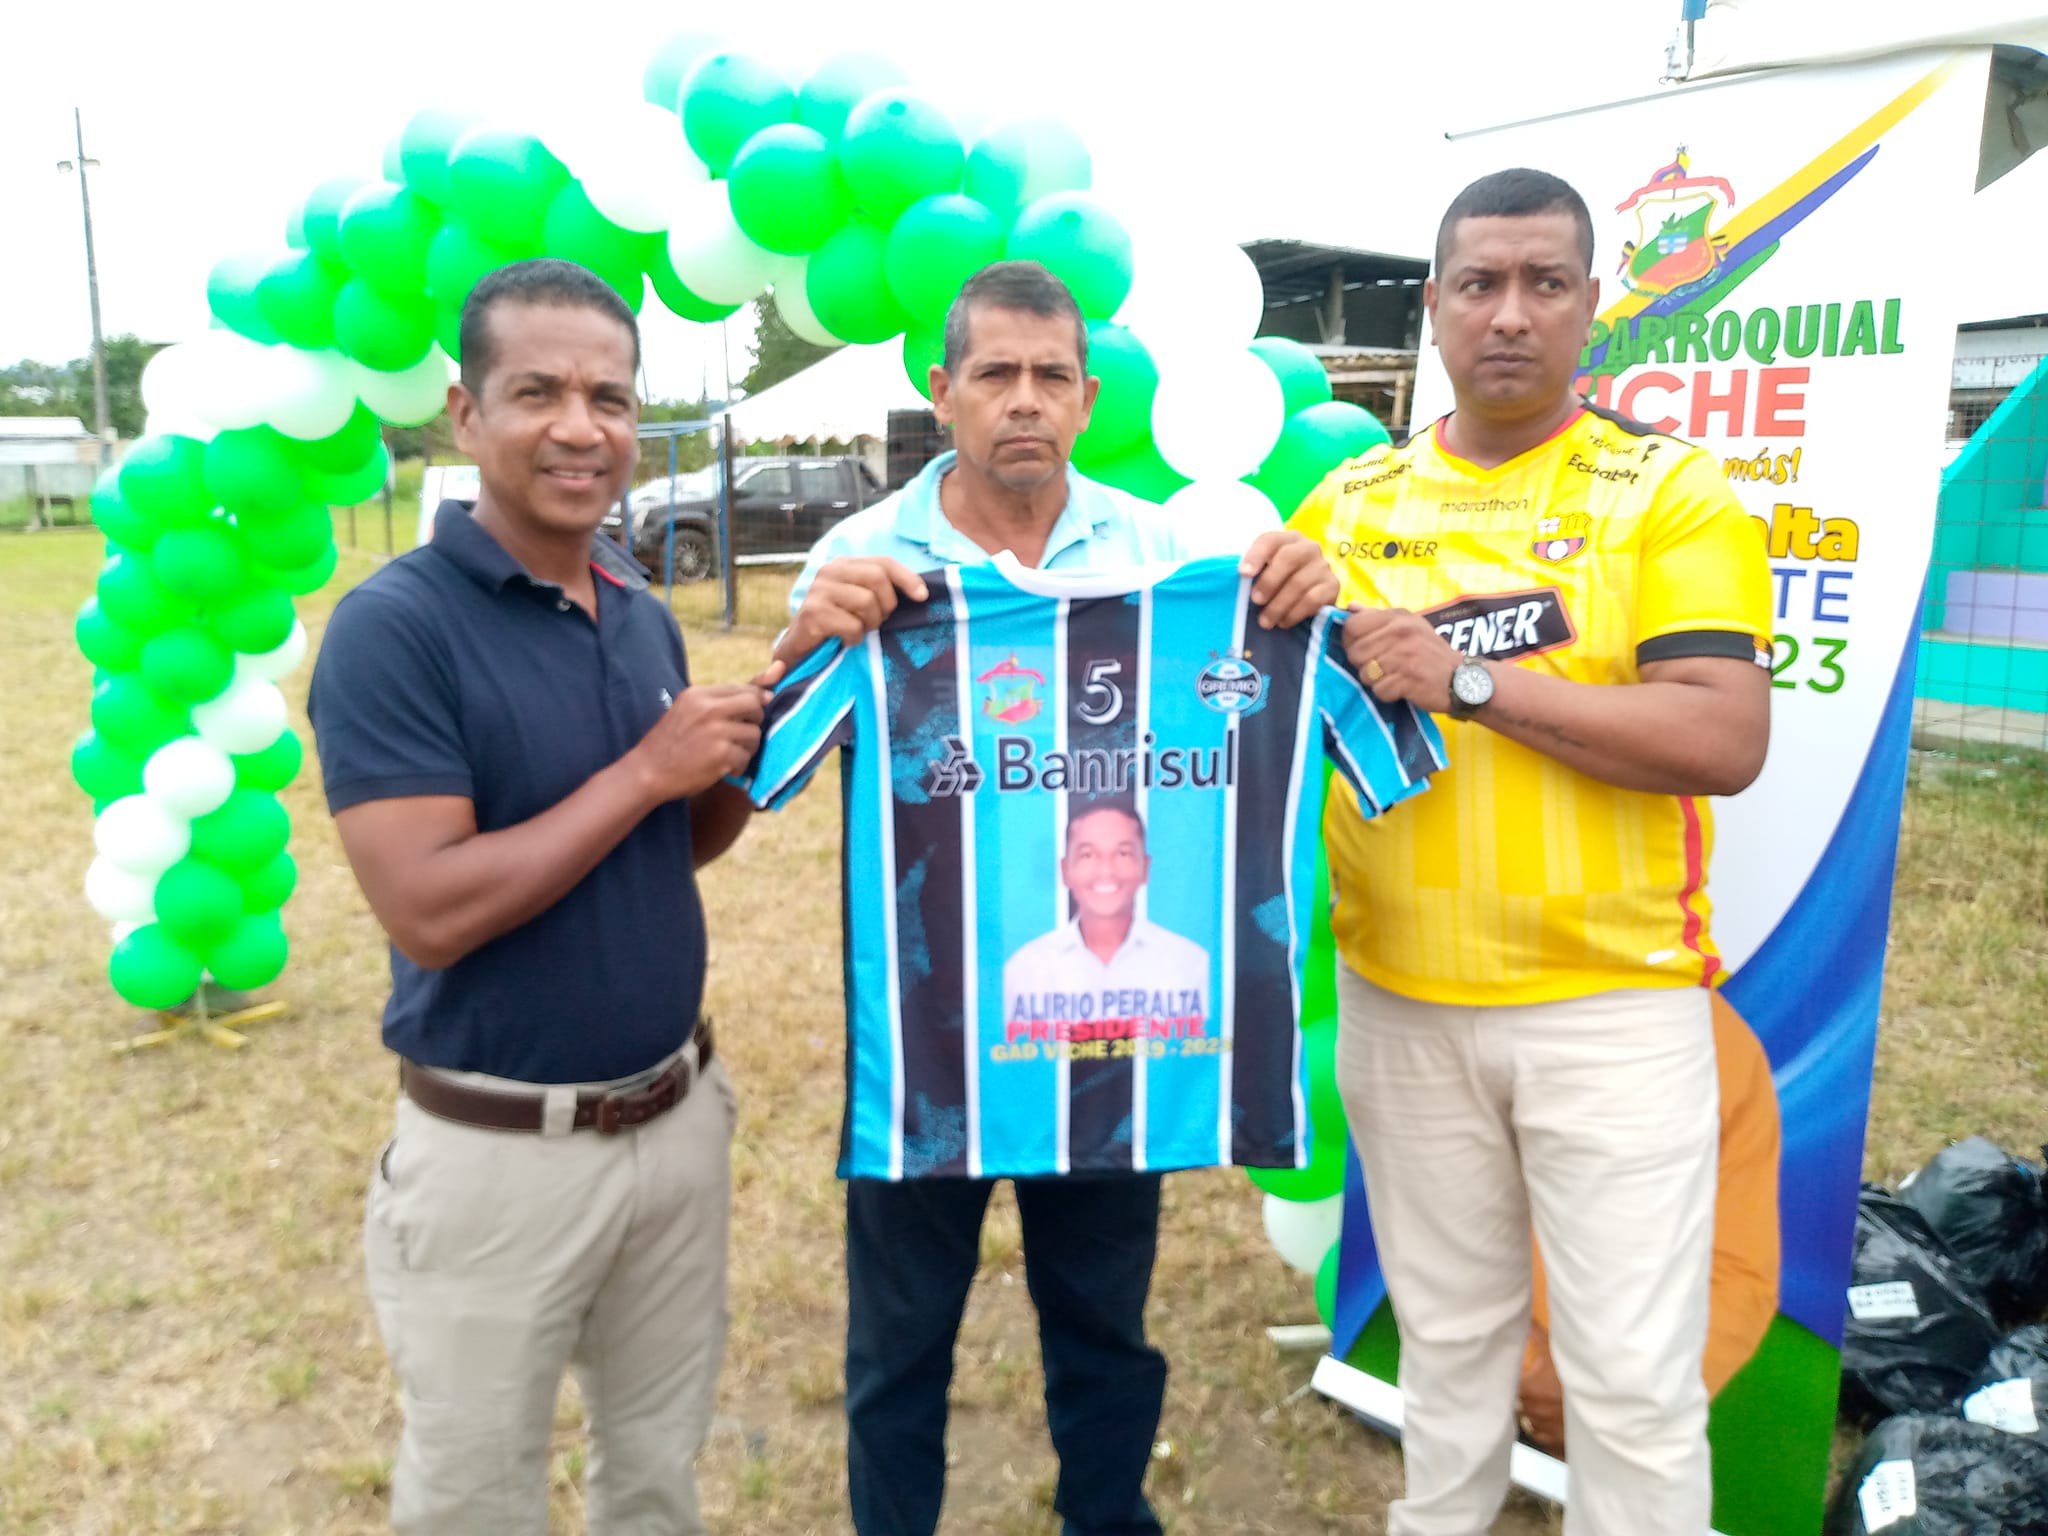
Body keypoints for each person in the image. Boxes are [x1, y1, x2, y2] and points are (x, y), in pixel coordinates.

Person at [776, 259, 1341, 1536]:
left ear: (1087, 398)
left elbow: (1261, 691)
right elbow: (768, 759)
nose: (1022, 399)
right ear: (943, 390)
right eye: (995, 374)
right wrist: (804, 640)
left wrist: (1303, 596)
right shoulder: (859, 559)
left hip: (1111, 1026)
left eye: (1049, 376)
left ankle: (1107, 1517)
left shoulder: (1169, 553)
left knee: (1103, 1327)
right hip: (934, 1042)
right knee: (898, 1343)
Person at [1288, 169, 1774, 1535]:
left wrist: (1470, 683)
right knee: (1447, 1353)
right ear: (1434, 307)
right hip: (1399, 1003)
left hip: (1608, 1011)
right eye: (1479, 284)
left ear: (1591, 306)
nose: (1509, 314)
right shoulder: (1348, 505)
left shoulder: (1668, 491)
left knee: (1631, 1385)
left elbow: (1723, 734)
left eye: (1544, 283)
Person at [307, 258, 773, 1536]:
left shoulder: (632, 606)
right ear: (466, 414)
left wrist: (756, 748)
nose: (581, 427)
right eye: (539, 393)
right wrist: (647, 770)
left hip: (675, 1124)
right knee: (477, 1499)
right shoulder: (395, 628)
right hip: (500, 1155)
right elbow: (429, 908)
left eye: (609, 398)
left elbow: (666, 846)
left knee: (656, 1475)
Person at [1517, 990, 1783, 1457]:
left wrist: (1631, 1401)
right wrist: (1528, 1364)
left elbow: (1739, 1275)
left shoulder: (1724, 1051)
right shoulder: (1464, 1001)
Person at [1001, 801, 1210, 1034]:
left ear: (1145, 867)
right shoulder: (1025, 968)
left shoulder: (1190, 963)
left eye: (1123, 854)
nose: (1106, 871)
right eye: (1088, 855)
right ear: (1065, 870)